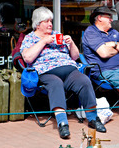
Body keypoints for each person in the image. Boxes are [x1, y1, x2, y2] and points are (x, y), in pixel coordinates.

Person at [20, 7, 106, 139]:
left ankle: (93, 119)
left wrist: (71, 44)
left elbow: (75, 56)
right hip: (47, 72)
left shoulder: (57, 34)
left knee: (84, 81)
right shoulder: (30, 38)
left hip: (69, 69)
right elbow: (28, 58)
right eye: (46, 21)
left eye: (51, 21)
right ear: (38, 24)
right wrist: (43, 41)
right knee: (56, 83)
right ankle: (62, 123)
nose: (50, 24)